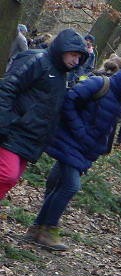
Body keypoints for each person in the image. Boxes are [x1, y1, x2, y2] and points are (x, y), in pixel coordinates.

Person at [27, 58, 121, 251]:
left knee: (61, 185)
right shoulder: (99, 83)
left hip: (82, 149)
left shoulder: (120, 100)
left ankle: (37, 228)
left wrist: (97, 151)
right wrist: (79, 130)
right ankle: (47, 229)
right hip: (69, 142)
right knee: (70, 186)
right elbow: (69, 101)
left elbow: (105, 130)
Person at [0, 29, 87, 201]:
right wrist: (3, 123)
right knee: (6, 175)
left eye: (79, 57)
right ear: (63, 49)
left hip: (31, 138)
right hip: (12, 130)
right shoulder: (37, 59)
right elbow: (8, 88)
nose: (75, 60)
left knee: (11, 179)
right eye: (73, 55)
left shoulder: (64, 76)